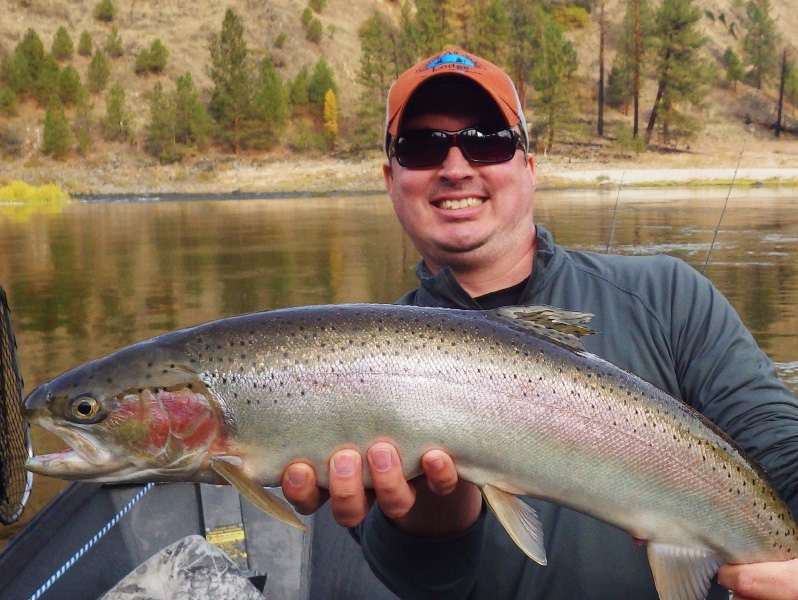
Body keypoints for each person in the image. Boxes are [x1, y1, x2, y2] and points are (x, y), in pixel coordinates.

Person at [283, 48, 798, 599]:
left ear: (529, 165)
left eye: (487, 141)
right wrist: (436, 519)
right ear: (391, 180)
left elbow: (782, 455)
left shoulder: (668, 297)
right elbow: (422, 580)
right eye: (423, 147)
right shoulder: (354, 367)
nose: (456, 168)